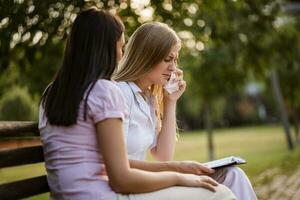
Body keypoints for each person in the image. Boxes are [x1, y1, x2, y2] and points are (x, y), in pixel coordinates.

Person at [38, 8, 236, 200]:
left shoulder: (51, 94)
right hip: (106, 194)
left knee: (226, 181)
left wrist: (170, 101)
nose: (121, 54)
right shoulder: (105, 92)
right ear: (106, 49)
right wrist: (177, 175)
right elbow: (121, 179)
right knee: (222, 194)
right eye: (121, 47)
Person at [114, 22, 257, 200]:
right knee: (219, 194)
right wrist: (177, 169)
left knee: (234, 175)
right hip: (130, 188)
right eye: (167, 59)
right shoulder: (120, 93)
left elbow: (163, 155)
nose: (174, 68)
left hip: (146, 181)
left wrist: (170, 101)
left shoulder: (148, 99)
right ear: (146, 56)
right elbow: (115, 167)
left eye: (175, 60)